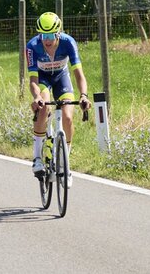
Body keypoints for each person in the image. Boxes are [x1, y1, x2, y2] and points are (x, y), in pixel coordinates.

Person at [27, 12, 91, 183]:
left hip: (61, 78)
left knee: (68, 118)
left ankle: (65, 164)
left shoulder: (68, 42)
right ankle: (37, 159)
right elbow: (33, 80)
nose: (46, 40)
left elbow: (79, 74)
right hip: (43, 80)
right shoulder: (32, 45)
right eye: (43, 35)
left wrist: (83, 95)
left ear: (58, 33)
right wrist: (36, 97)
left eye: (50, 35)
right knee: (44, 108)